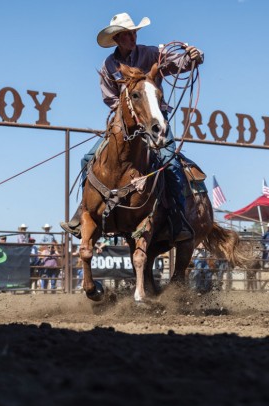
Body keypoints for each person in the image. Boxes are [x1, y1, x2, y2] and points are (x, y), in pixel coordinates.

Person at [60, 12, 204, 242]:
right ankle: (84, 211)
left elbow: (176, 63)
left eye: (134, 33)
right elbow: (110, 98)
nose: (133, 37)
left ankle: (178, 219)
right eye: (127, 34)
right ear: (116, 38)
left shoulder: (149, 54)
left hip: (155, 119)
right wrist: (127, 113)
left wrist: (192, 57)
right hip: (124, 125)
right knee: (88, 159)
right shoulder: (109, 65)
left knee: (171, 163)